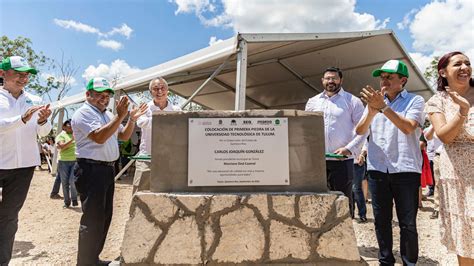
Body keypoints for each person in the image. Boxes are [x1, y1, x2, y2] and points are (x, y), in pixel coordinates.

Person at [71, 77, 147, 265]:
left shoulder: (106, 114)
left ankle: (93, 259)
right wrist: (120, 116)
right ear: (87, 95)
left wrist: (131, 119)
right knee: (93, 219)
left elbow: (124, 135)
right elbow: (99, 137)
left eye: (107, 96)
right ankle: (85, 262)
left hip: (105, 170)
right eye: (99, 95)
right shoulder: (83, 113)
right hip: (90, 169)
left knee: (104, 217)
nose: (103, 99)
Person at [355, 59, 425, 265]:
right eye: (382, 77)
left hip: (405, 169)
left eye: (389, 77)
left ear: (403, 80)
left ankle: (409, 262)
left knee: (408, 223)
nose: (383, 81)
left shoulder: (415, 101)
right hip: (378, 168)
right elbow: (360, 131)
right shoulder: (374, 103)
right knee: (381, 221)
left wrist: (383, 108)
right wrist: (371, 110)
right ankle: (385, 260)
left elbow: (408, 127)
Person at [0, 56, 52, 264]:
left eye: (27, 74)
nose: (24, 78)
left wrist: (43, 120)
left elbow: (44, 132)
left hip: (23, 169)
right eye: (18, 73)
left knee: (10, 217)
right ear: (2, 74)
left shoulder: (34, 99)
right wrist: (21, 119)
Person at [424, 51, 473, 265]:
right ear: (443, 72)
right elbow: (445, 136)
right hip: (458, 172)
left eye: (467, 63)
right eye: (458, 64)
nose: (464, 67)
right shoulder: (437, 101)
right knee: (465, 226)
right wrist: (463, 110)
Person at [305, 67, 366, 218]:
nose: (330, 81)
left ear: (341, 80)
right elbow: (306, 129)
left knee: (343, 200)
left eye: (334, 78)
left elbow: (364, 130)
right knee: (318, 201)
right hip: (318, 161)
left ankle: (347, 237)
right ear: (322, 81)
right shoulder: (312, 102)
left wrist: (348, 149)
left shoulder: (353, 101)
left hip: (342, 161)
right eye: (327, 78)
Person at [132, 77, 181, 194]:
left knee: (165, 195)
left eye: (162, 88)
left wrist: (154, 120)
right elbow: (142, 123)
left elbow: (178, 129)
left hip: (168, 160)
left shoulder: (176, 109)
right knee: (139, 192)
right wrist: (168, 121)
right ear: (150, 92)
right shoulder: (144, 108)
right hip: (146, 159)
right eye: (155, 89)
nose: (159, 91)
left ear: (167, 90)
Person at [55, 119, 78, 208]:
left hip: (75, 161)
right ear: (64, 127)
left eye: (72, 125)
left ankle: (74, 199)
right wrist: (72, 140)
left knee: (73, 181)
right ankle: (66, 202)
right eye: (69, 125)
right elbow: (62, 147)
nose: (71, 127)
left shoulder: (76, 134)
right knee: (64, 182)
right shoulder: (61, 136)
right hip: (63, 161)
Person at [352, 141, 368, 223]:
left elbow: (366, 144)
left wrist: (362, 154)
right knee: (349, 190)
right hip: (345, 162)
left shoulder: (361, 132)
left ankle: (362, 214)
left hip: (358, 164)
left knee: (357, 189)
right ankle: (350, 213)